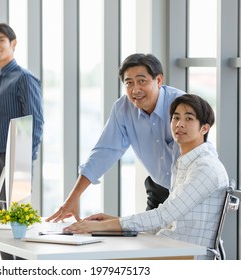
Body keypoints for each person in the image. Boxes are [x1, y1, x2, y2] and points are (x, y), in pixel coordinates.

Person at [64, 94, 229, 260]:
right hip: (170, 247)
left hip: (186, 255)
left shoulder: (205, 168)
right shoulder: (186, 162)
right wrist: (115, 222)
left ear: (204, 128)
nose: (180, 124)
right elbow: (165, 220)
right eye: (176, 118)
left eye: (189, 118)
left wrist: (106, 226)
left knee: (97, 259)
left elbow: (165, 215)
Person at [47, 53, 187, 223]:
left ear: (158, 80)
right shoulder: (123, 109)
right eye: (129, 83)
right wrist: (73, 196)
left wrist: (116, 223)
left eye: (142, 81)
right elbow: (104, 151)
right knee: (148, 245)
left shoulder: (182, 105)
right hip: (158, 190)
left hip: (187, 191)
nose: (135, 90)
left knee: (183, 246)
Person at [0, 23, 44, 260]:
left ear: (13, 43)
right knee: (0, 231)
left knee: (18, 230)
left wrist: (23, 164)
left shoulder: (24, 79)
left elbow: (36, 124)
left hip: (15, 163)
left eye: (1, 40)